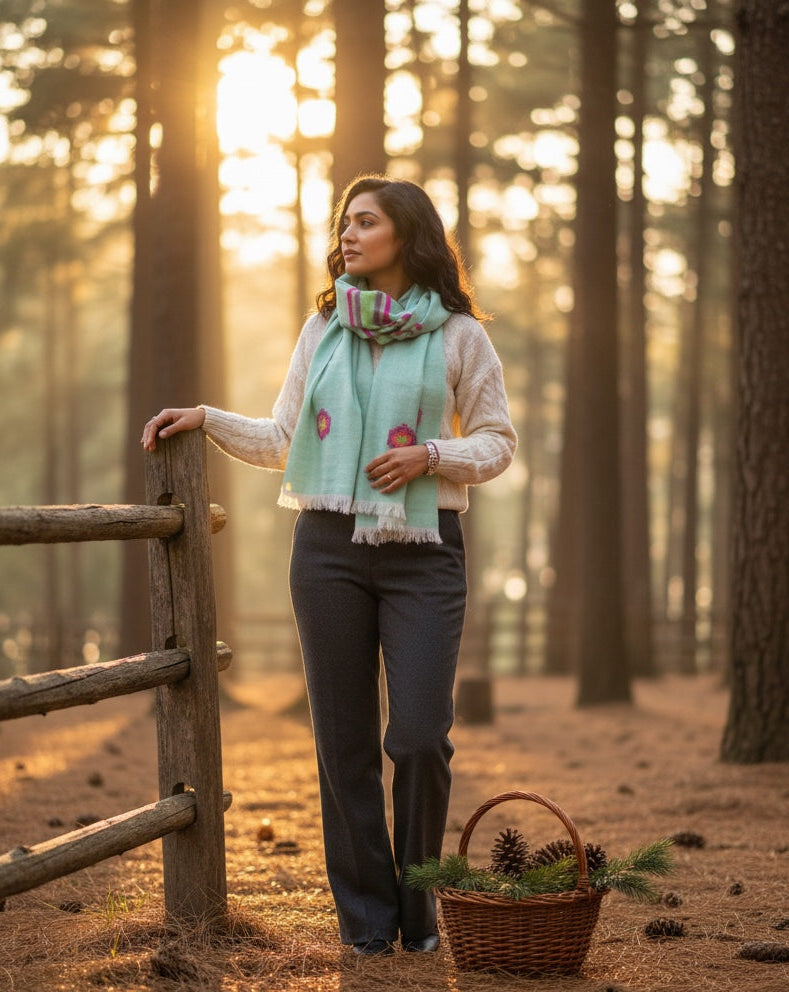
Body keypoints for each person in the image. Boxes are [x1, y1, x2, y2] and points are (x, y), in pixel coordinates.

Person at [141, 175, 517, 956]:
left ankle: (418, 912)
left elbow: (498, 442)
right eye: (344, 222)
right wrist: (206, 418)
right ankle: (369, 924)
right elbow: (285, 439)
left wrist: (431, 456)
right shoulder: (324, 329)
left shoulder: (458, 335)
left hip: (425, 555)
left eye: (365, 222)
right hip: (328, 551)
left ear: (407, 236)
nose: (347, 235)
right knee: (342, 743)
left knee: (417, 734)